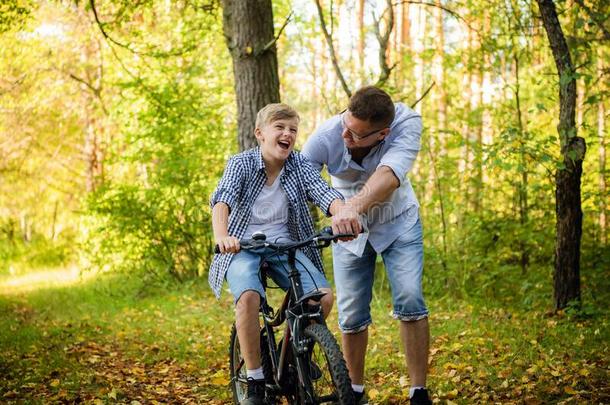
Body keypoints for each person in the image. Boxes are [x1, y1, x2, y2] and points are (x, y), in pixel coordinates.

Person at [209, 103, 358, 405]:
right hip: (244, 245)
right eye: (280, 128)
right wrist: (223, 237)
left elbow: (322, 190)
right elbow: (222, 199)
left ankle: (294, 356)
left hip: (285, 244)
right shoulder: (242, 164)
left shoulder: (299, 164)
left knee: (321, 298)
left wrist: (341, 213)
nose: (287, 134)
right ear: (260, 133)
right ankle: (254, 379)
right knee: (249, 298)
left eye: (292, 129)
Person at [302, 86, 432, 405]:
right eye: (346, 125)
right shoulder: (328, 134)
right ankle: (354, 392)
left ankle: (418, 391)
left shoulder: (406, 122)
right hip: (346, 229)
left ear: (382, 134)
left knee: (410, 298)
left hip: (397, 222)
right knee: (351, 312)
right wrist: (337, 208)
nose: (346, 136)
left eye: (357, 135)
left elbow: (387, 176)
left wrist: (351, 208)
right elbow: (303, 174)